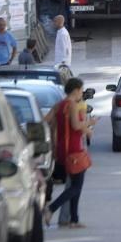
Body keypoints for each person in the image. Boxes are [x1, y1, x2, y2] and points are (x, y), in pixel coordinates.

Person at [44, 77, 98, 229]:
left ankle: (74, 219)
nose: (82, 93)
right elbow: (75, 125)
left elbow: (45, 121)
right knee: (75, 187)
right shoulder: (72, 105)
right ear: (75, 90)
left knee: (76, 185)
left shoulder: (58, 105)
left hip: (62, 150)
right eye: (81, 90)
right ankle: (51, 209)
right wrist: (90, 123)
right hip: (75, 150)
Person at [53, 15, 73, 81]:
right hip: (59, 62)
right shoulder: (60, 32)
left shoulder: (63, 34)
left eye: (55, 21)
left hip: (62, 63)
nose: (54, 23)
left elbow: (65, 49)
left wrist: (63, 63)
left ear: (59, 22)